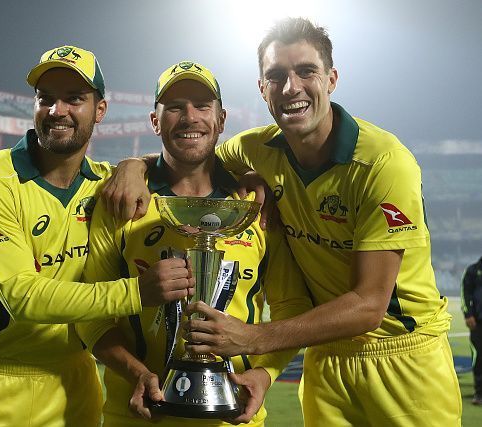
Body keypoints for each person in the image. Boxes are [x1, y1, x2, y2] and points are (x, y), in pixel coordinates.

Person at [102, 18, 462, 426]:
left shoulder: (383, 163)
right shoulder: (256, 149)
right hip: (324, 352)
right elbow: (190, 152)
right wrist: (133, 166)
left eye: (306, 71)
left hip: (402, 354)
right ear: (262, 89)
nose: (290, 87)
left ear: (331, 79)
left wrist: (253, 339)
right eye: (276, 76)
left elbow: (368, 306)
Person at [0, 45, 193, 427]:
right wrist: (136, 292)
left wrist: (136, 163)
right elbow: (22, 295)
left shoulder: (109, 186)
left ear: (100, 110)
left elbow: (189, 164)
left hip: (78, 391)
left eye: (74, 99)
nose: (58, 111)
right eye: (46, 99)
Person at [75, 61, 312, 427]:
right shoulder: (121, 200)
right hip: (138, 417)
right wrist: (137, 372)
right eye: (174, 107)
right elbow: (92, 318)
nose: (189, 118)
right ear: (155, 121)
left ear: (221, 120)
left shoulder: (257, 204)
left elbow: (290, 305)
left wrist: (265, 374)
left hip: (235, 417)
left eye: (202, 106)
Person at [462, 256, 482, 405]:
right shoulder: (473, 270)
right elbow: (465, 293)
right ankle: (479, 393)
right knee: (479, 357)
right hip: (478, 322)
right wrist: (468, 314)